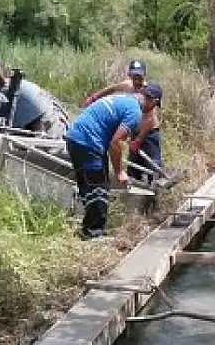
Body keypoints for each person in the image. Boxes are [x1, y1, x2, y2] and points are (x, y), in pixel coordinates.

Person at [65, 84, 163, 239]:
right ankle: (93, 234)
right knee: (98, 189)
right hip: (88, 142)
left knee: (92, 185)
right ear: (153, 101)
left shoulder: (123, 98)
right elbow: (116, 143)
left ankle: (88, 229)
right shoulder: (134, 112)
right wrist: (119, 172)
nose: (152, 110)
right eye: (155, 106)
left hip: (76, 138)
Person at [82, 60, 165, 184]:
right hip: (133, 131)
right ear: (130, 75)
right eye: (134, 77)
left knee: (152, 164)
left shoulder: (149, 93)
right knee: (133, 164)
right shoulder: (127, 86)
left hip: (148, 134)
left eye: (140, 77)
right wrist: (94, 97)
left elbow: (149, 120)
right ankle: (134, 186)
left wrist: (139, 140)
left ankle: (156, 190)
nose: (137, 81)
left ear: (144, 76)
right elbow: (111, 89)